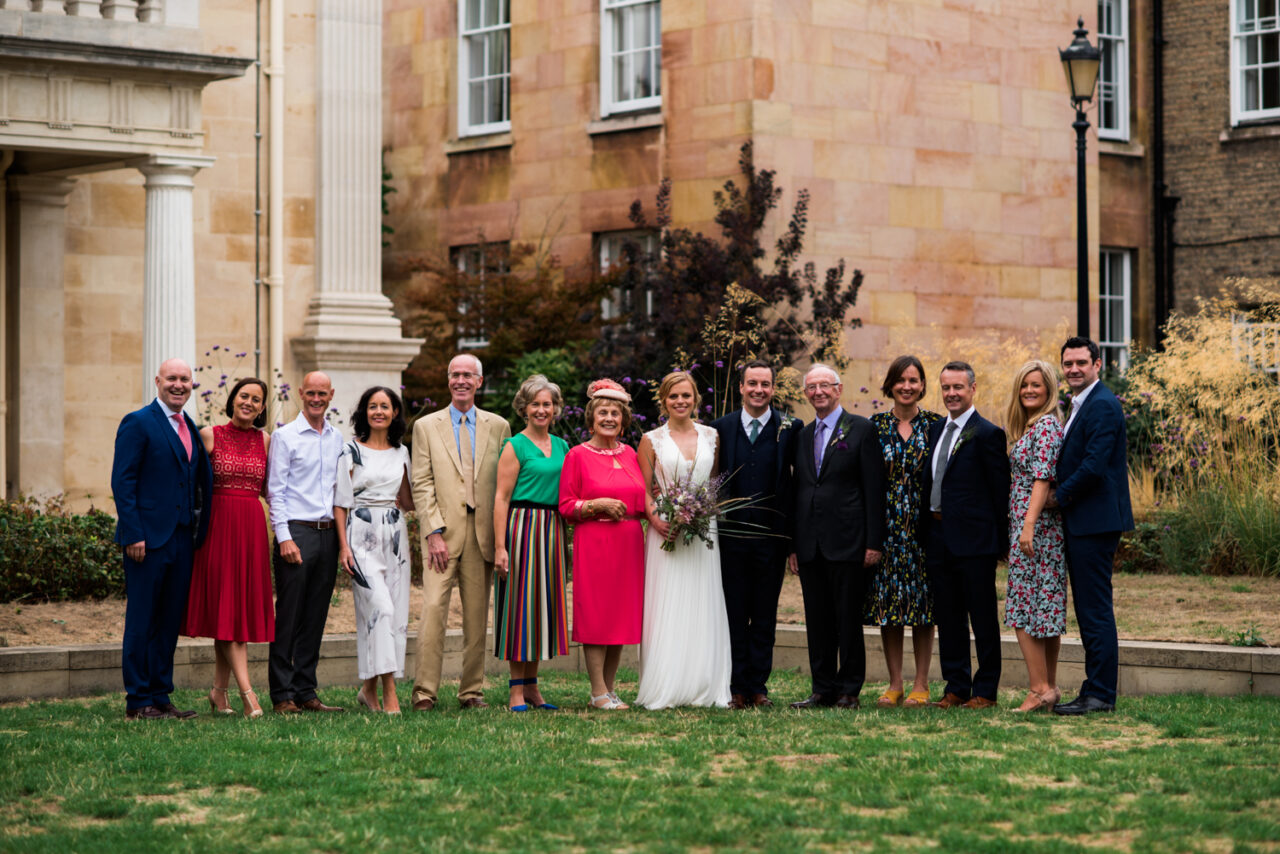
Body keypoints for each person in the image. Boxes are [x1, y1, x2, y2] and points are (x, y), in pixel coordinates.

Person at [112, 357, 213, 720]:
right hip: (146, 541)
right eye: (172, 378)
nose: (179, 385)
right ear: (158, 381)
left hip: (183, 539)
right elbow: (123, 482)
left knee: (169, 620)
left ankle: (160, 694)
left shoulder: (189, 425)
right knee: (142, 620)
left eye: (185, 379)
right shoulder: (138, 423)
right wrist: (134, 533)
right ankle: (138, 700)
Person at [409, 354, 511, 711]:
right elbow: (421, 482)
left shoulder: (499, 426)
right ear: (448, 379)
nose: (461, 380)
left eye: (468, 375)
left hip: (482, 533)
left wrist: (501, 537)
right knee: (434, 610)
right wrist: (432, 531)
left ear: (479, 382)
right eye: (455, 374)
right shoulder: (426, 426)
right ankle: (424, 692)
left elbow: (504, 484)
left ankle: (471, 691)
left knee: (476, 617)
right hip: (442, 533)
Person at [788, 364, 886, 710]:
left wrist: (873, 541)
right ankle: (821, 688)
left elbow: (874, 490)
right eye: (811, 387)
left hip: (849, 541)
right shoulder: (801, 435)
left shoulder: (861, 430)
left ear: (839, 389)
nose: (818, 392)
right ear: (806, 394)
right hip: (810, 544)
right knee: (817, 620)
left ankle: (848, 689)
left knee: (847, 619)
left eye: (824, 386)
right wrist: (793, 545)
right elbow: (798, 489)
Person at [636, 371, 732, 709]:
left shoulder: (712, 436)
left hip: (703, 532)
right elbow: (644, 490)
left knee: (702, 599)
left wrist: (702, 511)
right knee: (668, 603)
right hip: (667, 531)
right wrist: (657, 520)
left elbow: (714, 484)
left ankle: (703, 684)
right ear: (663, 400)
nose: (680, 401)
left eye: (686, 396)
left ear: (695, 399)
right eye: (673, 396)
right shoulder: (650, 440)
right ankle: (667, 684)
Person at [181, 376, 273, 718]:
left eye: (256, 399)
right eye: (243, 396)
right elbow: (189, 482)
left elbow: (272, 489)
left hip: (251, 529)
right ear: (232, 399)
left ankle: (219, 693)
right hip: (218, 528)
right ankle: (249, 695)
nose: (249, 403)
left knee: (234, 612)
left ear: (263, 407)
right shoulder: (209, 435)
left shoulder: (266, 441)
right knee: (227, 610)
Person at [710, 360, 799, 709]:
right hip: (730, 539)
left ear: (773, 389)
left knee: (764, 615)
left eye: (765, 384)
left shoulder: (790, 428)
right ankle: (735, 687)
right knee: (732, 614)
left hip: (772, 540)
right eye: (752, 383)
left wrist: (792, 540)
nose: (758, 390)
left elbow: (795, 485)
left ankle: (758, 686)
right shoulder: (719, 428)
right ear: (741, 387)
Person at [921, 361, 1010, 710]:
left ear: (973, 389)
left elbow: (998, 492)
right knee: (949, 617)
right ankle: (956, 686)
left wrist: (999, 544)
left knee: (983, 617)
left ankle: (986, 690)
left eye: (958, 387)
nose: (951, 394)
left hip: (975, 543)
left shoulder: (987, 433)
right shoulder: (934, 431)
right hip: (937, 535)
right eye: (946, 388)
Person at [1051, 337, 1133, 716]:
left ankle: (1100, 695)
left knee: (1095, 610)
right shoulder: (1080, 403)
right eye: (1068, 363)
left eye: (1081, 362)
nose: (1073, 369)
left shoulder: (1101, 404)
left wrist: (1057, 497)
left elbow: (1093, 465)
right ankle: (1093, 689)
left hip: (1094, 523)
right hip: (1086, 521)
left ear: (1097, 364)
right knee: (1088, 608)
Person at [557, 379, 646, 710]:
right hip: (595, 542)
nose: (609, 418)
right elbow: (566, 506)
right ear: (591, 418)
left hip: (630, 544)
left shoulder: (632, 454)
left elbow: (644, 498)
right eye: (602, 413)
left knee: (621, 617)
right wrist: (598, 505)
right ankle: (596, 691)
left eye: (615, 413)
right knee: (597, 615)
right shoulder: (577, 456)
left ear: (623, 419)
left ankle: (610, 689)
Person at [864, 355, 943, 708]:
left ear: (923, 385)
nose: (907, 386)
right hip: (887, 528)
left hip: (925, 529)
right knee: (889, 607)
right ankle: (894, 684)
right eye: (901, 380)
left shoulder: (937, 426)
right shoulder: (875, 426)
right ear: (890, 385)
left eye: (914, 380)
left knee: (924, 608)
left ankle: (921, 684)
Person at [266, 371, 346, 714]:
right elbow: (276, 492)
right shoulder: (285, 437)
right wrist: (284, 537)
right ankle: (282, 694)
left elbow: (341, 493)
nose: (316, 399)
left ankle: (306, 690)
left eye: (322, 394)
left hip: (328, 534)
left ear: (331, 395)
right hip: (296, 532)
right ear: (301, 393)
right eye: (310, 393)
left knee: (316, 615)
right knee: (289, 615)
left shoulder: (337, 438)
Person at [492, 375, 570, 711]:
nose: (541, 410)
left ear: (556, 409)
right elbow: (501, 497)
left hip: (552, 530)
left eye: (547, 404)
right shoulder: (515, 445)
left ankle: (533, 689)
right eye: (535, 404)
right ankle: (514, 691)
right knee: (519, 609)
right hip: (522, 529)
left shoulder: (564, 446)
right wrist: (500, 546)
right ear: (524, 408)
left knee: (542, 609)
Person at [335, 387, 414, 715]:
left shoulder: (402, 452)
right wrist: (343, 547)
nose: (378, 411)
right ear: (364, 412)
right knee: (379, 608)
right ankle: (389, 692)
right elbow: (340, 502)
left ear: (395, 412)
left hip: (395, 536)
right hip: (361, 534)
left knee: (395, 615)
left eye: (385, 406)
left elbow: (408, 500)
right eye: (372, 406)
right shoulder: (350, 449)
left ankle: (368, 690)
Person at [1004, 360, 1067, 713]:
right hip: (1038, 530)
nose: (1029, 390)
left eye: (1037, 385)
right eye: (1024, 384)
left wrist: (1027, 526)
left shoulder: (1044, 426)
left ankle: (1038, 688)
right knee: (1043, 609)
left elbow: (1042, 479)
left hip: (1036, 532)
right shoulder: (1038, 426)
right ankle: (1049, 688)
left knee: (1023, 610)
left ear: (1048, 390)